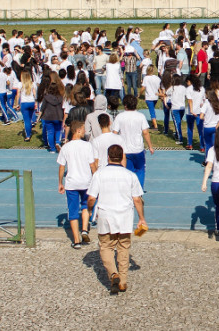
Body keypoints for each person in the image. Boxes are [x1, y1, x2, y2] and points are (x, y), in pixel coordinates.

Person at [87, 143, 146, 294]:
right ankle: (123, 281)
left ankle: (113, 273)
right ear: (122, 158)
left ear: (108, 157)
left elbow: (92, 197)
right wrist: (141, 218)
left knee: (106, 246)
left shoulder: (99, 174)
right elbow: (137, 199)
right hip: (125, 217)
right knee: (124, 247)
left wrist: (88, 210)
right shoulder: (130, 176)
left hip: (106, 216)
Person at [57, 121, 97, 249]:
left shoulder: (66, 147)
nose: (85, 131)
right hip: (86, 181)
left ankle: (76, 240)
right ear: (78, 131)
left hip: (72, 182)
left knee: (73, 210)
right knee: (86, 206)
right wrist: (97, 178)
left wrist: (60, 182)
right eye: (83, 129)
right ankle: (84, 229)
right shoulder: (87, 146)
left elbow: (62, 167)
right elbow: (92, 165)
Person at [112, 94, 155, 189]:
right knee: (140, 170)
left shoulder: (120, 116)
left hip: (125, 150)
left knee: (127, 172)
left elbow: (114, 133)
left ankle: (128, 190)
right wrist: (150, 146)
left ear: (125, 105)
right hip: (138, 149)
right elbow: (145, 132)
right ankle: (139, 190)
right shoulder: (140, 116)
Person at [39, 77, 65, 152]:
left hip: (48, 117)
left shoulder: (46, 97)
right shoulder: (60, 98)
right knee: (58, 130)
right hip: (58, 116)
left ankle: (52, 148)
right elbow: (63, 107)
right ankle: (57, 142)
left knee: (50, 132)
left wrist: (39, 117)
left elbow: (42, 108)